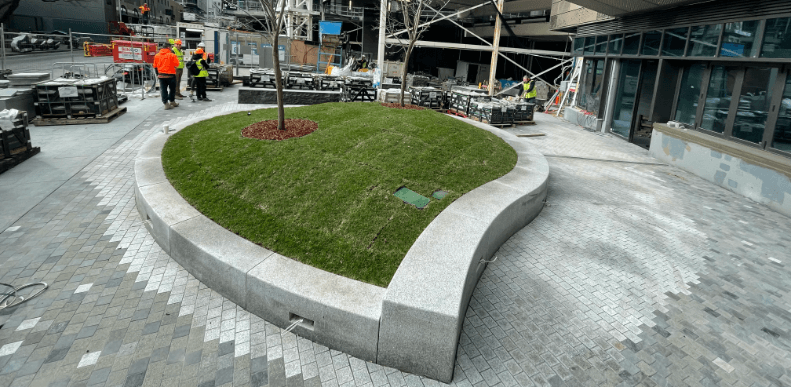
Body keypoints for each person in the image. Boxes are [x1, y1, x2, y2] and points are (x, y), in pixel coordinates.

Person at [153, 41, 179, 110]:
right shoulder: (172, 55)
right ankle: (172, 101)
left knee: (163, 89)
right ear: (168, 47)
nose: (171, 48)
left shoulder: (157, 55)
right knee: (172, 89)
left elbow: (155, 66)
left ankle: (166, 104)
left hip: (161, 76)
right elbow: (177, 64)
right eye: (170, 47)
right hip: (171, 75)